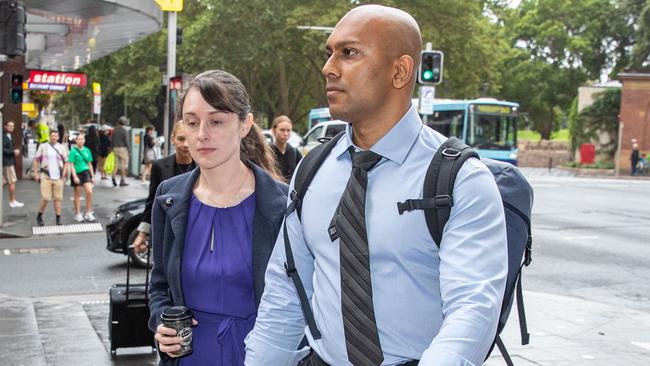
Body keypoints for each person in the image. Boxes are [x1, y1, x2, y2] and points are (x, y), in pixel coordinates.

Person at [245, 5, 507, 366]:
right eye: (329, 53)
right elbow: (285, 295)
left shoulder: (461, 179)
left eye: (349, 53)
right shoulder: (312, 170)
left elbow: (473, 309)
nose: (328, 68)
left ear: (399, 71)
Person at [148, 70, 288, 366]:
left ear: (244, 124)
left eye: (216, 121)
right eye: (192, 121)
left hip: (256, 357)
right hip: (187, 359)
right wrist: (161, 324)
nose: (201, 134)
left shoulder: (282, 204)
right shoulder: (167, 199)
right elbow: (159, 285)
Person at [131, 121, 196, 254]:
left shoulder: (203, 168)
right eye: (181, 139)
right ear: (173, 139)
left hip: (194, 236)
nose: (185, 144)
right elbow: (151, 202)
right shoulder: (159, 166)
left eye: (189, 139)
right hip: (165, 235)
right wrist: (142, 233)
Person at [33, 130, 69, 226]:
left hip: (58, 177)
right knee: (45, 197)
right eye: (52, 136)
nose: (53, 137)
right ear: (49, 136)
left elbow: (66, 162)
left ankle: (58, 218)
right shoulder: (43, 146)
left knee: (58, 198)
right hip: (46, 175)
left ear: (58, 137)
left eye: (55, 136)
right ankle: (39, 215)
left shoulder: (61, 147)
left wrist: (64, 173)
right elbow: (36, 160)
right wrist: (36, 174)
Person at [68, 133, 96, 223]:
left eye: (82, 139)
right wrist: (75, 176)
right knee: (77, 194)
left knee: (89, 192)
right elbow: (71, 165)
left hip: (85, 172)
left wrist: (92, 176)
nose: (80, 141)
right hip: (76, 172)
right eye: (79, 139)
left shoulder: (87, 150)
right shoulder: (73, 151)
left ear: (84, 140)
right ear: (76, 141)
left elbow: (89, 164)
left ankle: (88, 212)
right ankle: (78, 214)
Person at [269, 115, 302, 182]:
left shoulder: (294, 152)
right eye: (282, 130)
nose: (286, 133)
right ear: (273, 130)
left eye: (288, 130)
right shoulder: (267, 152)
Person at [3, 120, 24, 208]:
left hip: (8, 161)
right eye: (9, 126)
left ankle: (12, 200)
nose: (11, 127)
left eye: (13, 126)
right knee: (12, 182)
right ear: (5, 126)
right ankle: (12, 201)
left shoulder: (9, 136)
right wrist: (13, 152)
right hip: (7, 162)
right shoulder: (3, 137)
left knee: (6, 181)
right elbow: (2, 149)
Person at [111, 116, 130, 186]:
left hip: (115, 148)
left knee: (116, 164)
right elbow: (127, 141)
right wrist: (129, 150)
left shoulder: (114, 130)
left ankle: (113, 176)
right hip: (123, 149)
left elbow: (112, 140)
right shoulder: (124, 131)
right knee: (123, 165)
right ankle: (122, 180)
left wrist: (111, 149)